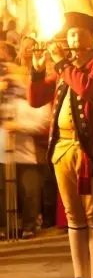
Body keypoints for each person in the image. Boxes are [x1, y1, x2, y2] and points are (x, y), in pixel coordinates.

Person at [30, 12, 93, 278]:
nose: (71, 38)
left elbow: (89, 87)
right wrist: (36, 70)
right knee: (73, 215)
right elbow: (36, 99)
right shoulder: (65, 67)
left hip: (90, 149)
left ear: (91, 37)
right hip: (63, 147)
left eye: (77, 33)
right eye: (69, 33)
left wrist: (61, 63)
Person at [0, 52, 49, 239]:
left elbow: (42, 121)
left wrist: (19, 126)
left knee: (29, 190)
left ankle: (29, 225)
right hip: (3, 150)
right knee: (3, 192)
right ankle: (5, 226)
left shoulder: (32, 95)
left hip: (28, 153)